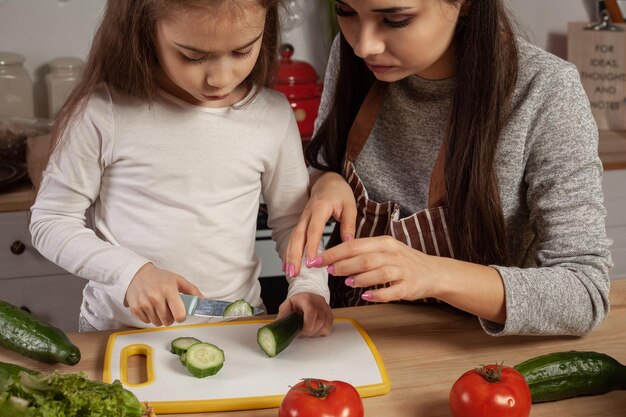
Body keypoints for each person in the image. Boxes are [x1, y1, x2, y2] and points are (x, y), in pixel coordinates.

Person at [284, 0, 613, 336]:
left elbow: (585, 292)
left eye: (395, 19)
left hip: (477, 356)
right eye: (347, 11)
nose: (364, 44)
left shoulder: (545, 89)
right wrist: (325, 179)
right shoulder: (352, 55)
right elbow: (320, 160)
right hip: (358, 335)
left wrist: (433, 274)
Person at [29, 0, 333, 335]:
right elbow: (51, 222)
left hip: (236, 327)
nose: (221, 78)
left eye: (242, 51)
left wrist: (309, 285)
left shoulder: (272, 116)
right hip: (120, 331)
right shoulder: (103, 112)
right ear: (145, 32)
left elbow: (293, 225)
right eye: (193, 56)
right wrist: (130, 273)